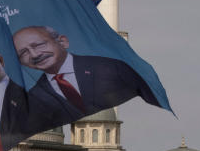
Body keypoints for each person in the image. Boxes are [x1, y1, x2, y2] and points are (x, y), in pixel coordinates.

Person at [10, 25, 158, 116]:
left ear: (63, 42)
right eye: (24, 53)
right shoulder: (35, 97)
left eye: (39, 45)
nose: (35, 55)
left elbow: (145, 87)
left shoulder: (109, 68)